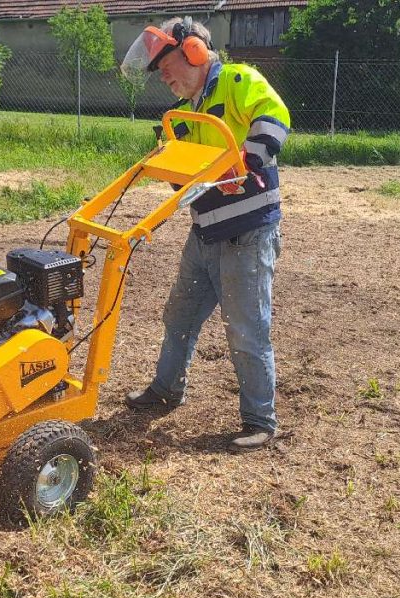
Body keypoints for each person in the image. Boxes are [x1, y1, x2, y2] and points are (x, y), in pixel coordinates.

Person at [119, 17, 291, 452]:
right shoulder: (184, 113)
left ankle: (259, 420)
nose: (164, 75)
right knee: (179, 317)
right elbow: (189, 178)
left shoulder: (237, 80)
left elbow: (274, 116)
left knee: (247, 330)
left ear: (194, 50)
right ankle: (165, 390)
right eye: (158, 70)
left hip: (248, 233)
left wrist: (250, 159)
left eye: (166, 64)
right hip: (205, 233)